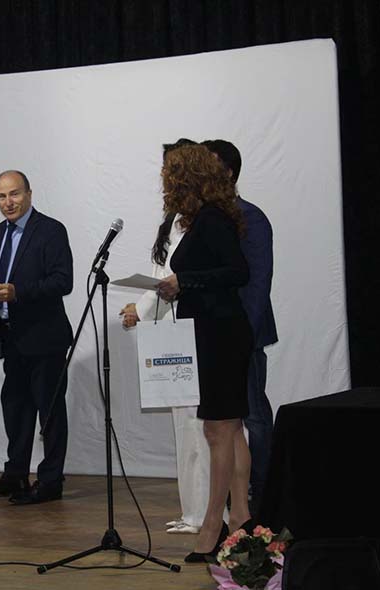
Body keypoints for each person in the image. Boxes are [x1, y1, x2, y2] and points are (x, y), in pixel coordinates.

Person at [139, 144, 252, 562]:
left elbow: (238, 272)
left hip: (220, 335)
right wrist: (182, 284)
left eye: (170, 176)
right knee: (230, 430)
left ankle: (212, 526)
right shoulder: (206, 217)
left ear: (186, 178)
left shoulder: (212, 219)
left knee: (218, 431)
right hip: (214, 332)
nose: (165, 185)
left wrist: (184, 281)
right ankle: (240, 518)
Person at [122, 138, 215, 536]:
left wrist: (142, 308)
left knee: (199, 427)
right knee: (184, 426)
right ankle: (192, 510)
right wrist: (141, 307)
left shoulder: (203, 219)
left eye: (171, 169)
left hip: (196, 331)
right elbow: (162, 275)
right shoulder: (175, 218)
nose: (165, 177)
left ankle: (207, 513)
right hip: (175, 331)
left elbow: (177, 278)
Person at [0, 170, 73, 506]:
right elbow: (4, 278)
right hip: (12, 338)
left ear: (29, 194)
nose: (8, 202)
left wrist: (18, 292)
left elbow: (63, 281)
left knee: (50, 414)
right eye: (1, 196)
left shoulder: (51, 230)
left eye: (14, 194)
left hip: (45, 338)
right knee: (16, 410)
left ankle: (51, 482)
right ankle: (16, 475)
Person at [202, 140, 278, 515]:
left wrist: (243, 335)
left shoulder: (251, 217)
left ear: (228, 172)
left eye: (209, 165)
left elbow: (258, 283)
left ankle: (264, 492)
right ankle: (237, 495)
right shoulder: (205, 218)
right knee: (223, 423)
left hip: (244, 335)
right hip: (215, 336)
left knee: (254, 417)